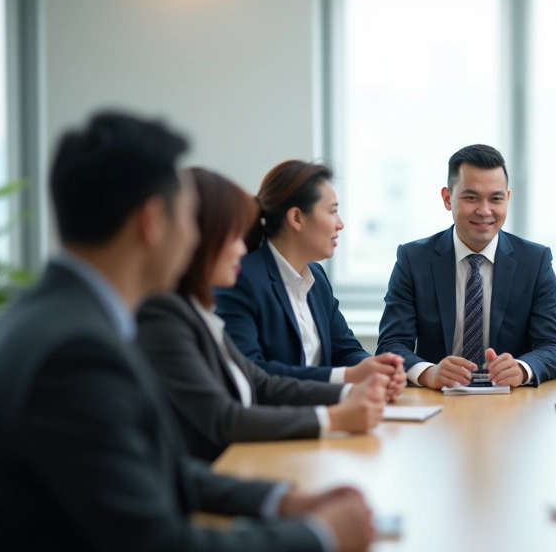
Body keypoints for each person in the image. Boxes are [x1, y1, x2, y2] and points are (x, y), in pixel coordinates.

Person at [0, 112, 375, 552]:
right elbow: (156, 542)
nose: (194, 237)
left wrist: (283, 500)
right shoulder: (76, 350)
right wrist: (319, 536)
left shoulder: (61, 315)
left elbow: (159, 467)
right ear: (152, 222)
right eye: (187, 219)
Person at [137, 167, 388, 462]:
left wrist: (356, 385)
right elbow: (227, 415)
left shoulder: (198, 313)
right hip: (243, 459)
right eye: (232, 237)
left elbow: (259, 381)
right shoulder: (168, 316)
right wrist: (335, 415)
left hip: (258, 453)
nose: (241, 249)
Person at [377, 144, 556, 389]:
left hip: (513, 404)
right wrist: (428, 373)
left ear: (507, 199)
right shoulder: (414, 259)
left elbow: (555, 347)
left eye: (496, 198)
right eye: (471, 197)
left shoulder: (535, 260)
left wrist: (522, 369)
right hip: (437, 402)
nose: (485, 210)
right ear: (447, 199)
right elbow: (391, 345)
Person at [215, 160, 406, 395]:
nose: (340, 224)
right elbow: (252, 372)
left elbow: (344, 349)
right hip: (276, 425)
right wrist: (348, 377)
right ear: (296, 218)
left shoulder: (316, 276)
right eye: (333, 211)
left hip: (327, 415)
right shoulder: (241, 279)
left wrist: (377, 370)